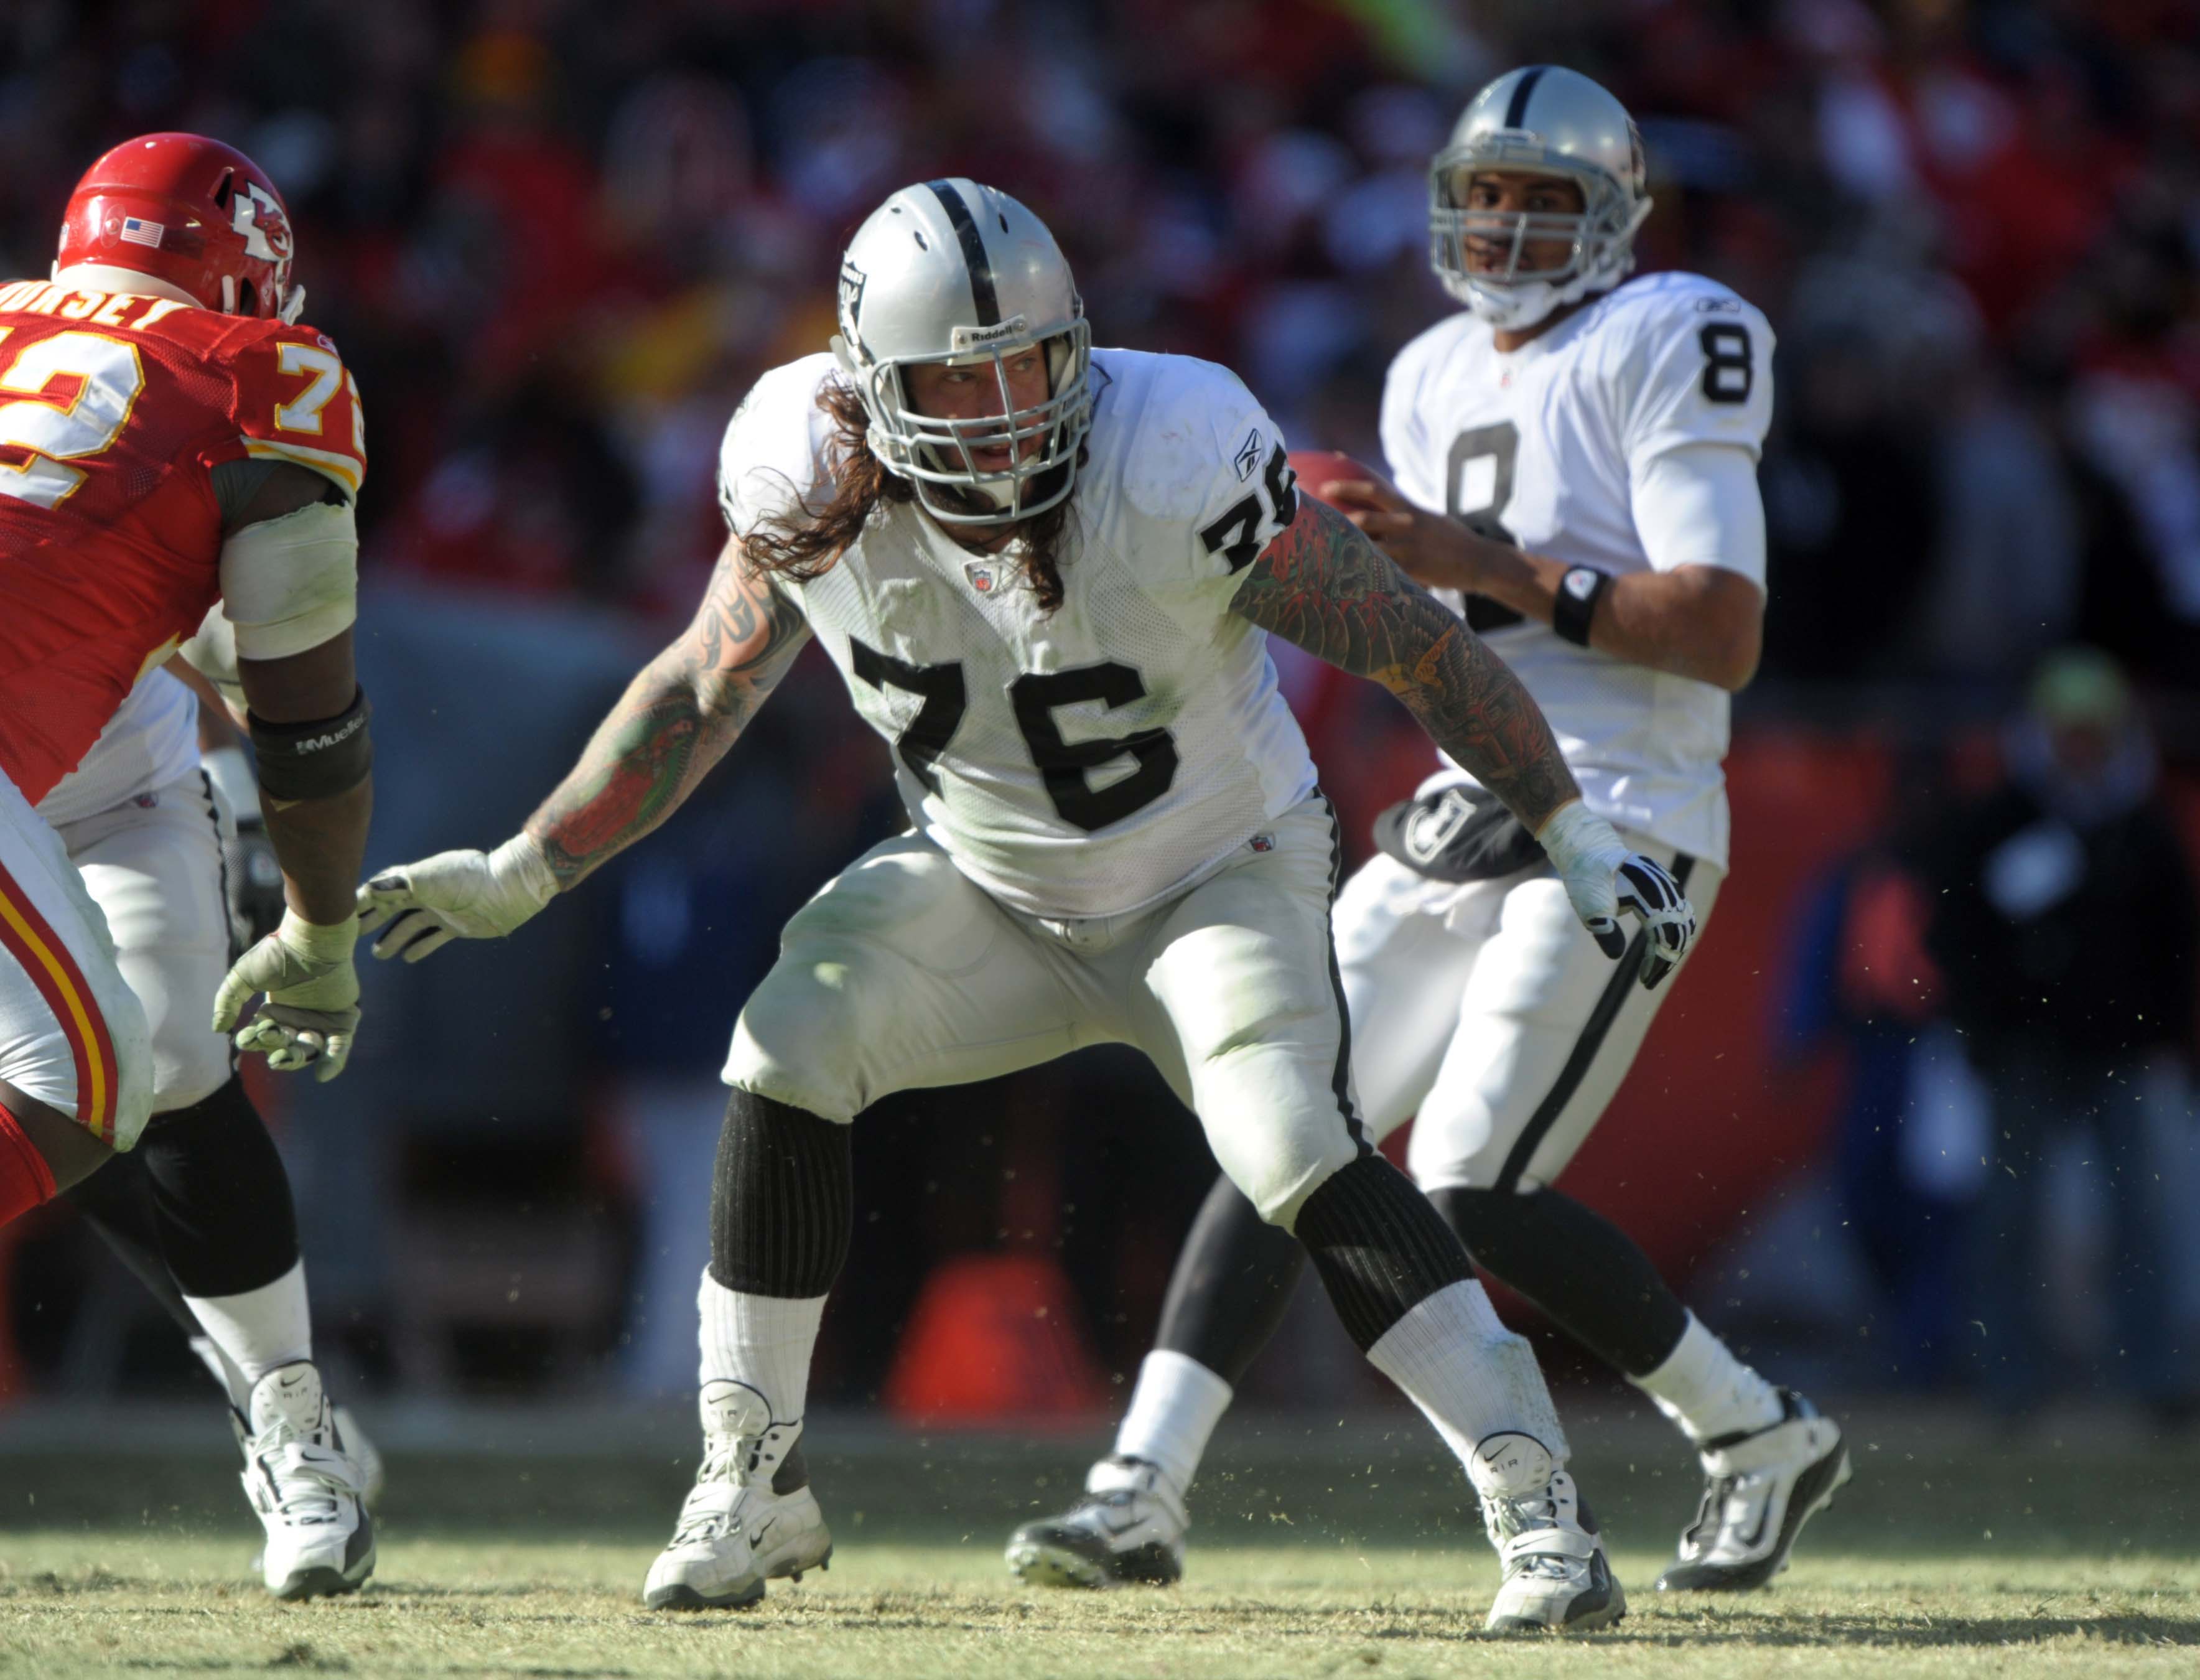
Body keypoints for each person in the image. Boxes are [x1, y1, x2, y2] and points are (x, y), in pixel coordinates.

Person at [356, 175, 1695, 1633]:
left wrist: (1563, 824)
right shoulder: (801, 469)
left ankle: (1538, 1505)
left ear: (1082, 347)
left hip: (1214, 871)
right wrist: (525, 865)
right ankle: (753, 1471)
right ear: (872, 385)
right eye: (957, 377)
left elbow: (1412, 644)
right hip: (986, 879)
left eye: (1028, 364)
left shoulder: (1175, 447)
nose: (999, 409)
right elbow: (698, 688)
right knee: (784, 1042)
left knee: (1289, 1136)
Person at [1011, 65, 1847, 1597]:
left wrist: (1486, 560)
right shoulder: (1425, 372)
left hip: (1629, 806)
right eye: (1486, 195)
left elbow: (1721, 629)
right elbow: (1439, 626)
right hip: (1469, 794)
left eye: (1546, 200)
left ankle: (1755, 1427)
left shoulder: (1673, 331)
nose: (1509, 229)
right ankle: (1138, 1489)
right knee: (1284, 1123)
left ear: (1617, 214)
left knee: (1468, 1177)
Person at [0, 133, 378, 1597]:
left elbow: (119, 564)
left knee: (163, 1050)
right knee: (86, 1078)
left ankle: (297, 1430)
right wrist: (323, 928)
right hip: (42, 714)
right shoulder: (264, 375)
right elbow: (308, 720)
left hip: (105, 713)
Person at [50, 649, 385, 1598]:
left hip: (109, 799)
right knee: (50, 1116)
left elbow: (220, 624)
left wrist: (243, 800)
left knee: (166, 1057)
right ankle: (268, 1387)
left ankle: (293, 1423)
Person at [1913, 646, 2199, 1419]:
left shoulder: (2141, 828)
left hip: (2126, 1053)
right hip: (2024, 1051)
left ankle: (2158, 1382)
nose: (2081, 746)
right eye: (2067, 730)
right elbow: (1955, 932)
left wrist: (2171, 1035)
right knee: (2009, 1221)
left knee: (2149, 1218)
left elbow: (2177, 942)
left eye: (2094, 731)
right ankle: (2008, 1384)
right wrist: (1983, 1028)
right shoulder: (1996, 819)